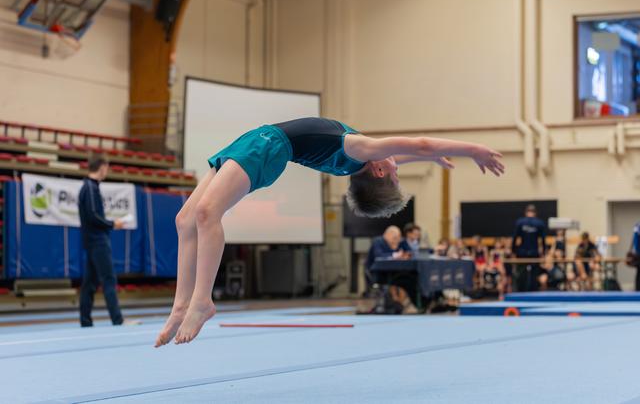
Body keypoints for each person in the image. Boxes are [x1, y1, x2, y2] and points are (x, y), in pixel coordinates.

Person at [155, 116, 504, 346]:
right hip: (257, 140)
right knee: (185, 220)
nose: (397, 165)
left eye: (395, 173)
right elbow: (413, 154)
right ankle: (181, 304)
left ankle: (202, 301)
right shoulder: (352, 163)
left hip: (268, 144)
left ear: (379, 172)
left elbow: (418, 144)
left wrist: (473, 149)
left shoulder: (362, 149)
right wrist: (431, 158)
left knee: (205, 213)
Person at [78, 155, 125, 327]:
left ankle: (85, 321)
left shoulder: (89, 187)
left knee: (89, 283)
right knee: (108, 279)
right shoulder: (90, 187)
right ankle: (117, 320)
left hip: (92, 241)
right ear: (102, 167)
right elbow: (92, 216)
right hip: (97, 241)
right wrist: (113, 224)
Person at [511, 204, 547, 291]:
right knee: (534, 274)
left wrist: (514, 250)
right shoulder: (539, 223)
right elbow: (543, 240)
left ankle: (521, 291)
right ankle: (533, 291)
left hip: (522, 252)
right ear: (535, 213)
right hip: (534, 252)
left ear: (526, 212)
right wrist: (544, 253)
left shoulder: (520, 222)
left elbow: (515, 238)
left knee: (521, 273)